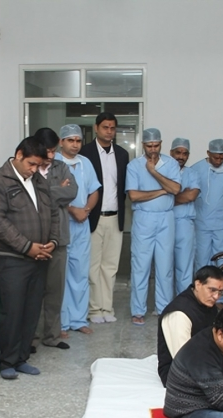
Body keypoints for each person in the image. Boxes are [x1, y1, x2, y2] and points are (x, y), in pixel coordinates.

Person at [0, 137, 60, 379]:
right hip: (11, 259)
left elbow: (54, 213)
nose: (34, 170)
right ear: (18, 155)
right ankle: (7, 361)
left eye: (39, 165)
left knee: (31, 310)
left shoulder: (38, 181)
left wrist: (53, 241)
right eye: (31, 164)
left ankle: (22, 357)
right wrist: (27, 247)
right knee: (13, 310)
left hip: (40, 256)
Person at [126, 128, 181, 324]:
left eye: (156, 145)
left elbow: (175, 189)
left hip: (166, 218)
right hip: (144, 219)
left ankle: (164, 308)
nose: (153, 149)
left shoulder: (171, 164)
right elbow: (134, 195)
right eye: (149, 146)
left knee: (165, 266)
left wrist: (153, 172)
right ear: (143, 145)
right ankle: (138, 310)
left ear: (161, 144)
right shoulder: (134, 166)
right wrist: (162, 191)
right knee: (140, 266)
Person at [80, 112, 129, 324]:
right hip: (93, 217)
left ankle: (107, 307)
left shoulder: (122, 154)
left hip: (115, 216)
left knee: (110, 267)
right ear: (96, 128)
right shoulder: (85, 153)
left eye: (112, 128)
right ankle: (94, 309)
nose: (109, 132)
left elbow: (122, 188)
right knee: (93, 267)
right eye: (105, 127)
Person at [34, 127, 78, 350]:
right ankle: (30, 337)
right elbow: (27, 196)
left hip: (58, 238)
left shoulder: (62, 167)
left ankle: (51, 336)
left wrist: (45, 193)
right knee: (32, 291)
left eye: (53, 151)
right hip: (32, 239)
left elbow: (72, 192)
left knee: (55, 290)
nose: (51, 156)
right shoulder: (29, 167)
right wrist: (55, 190)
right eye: (47, 151)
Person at [55, 124, 101, 335]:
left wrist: (86, 210)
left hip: (82, 223)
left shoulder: (86, 163)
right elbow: (50, 194)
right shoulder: (54, 163)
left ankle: (78, 319)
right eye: (70, 140)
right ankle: (61, 323)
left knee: (80, 273)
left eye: (78, 140)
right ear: (61, 142)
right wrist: (72, 210)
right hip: (61, 222)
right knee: (61, 275)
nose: (75, 145)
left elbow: (94, 191)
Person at [156, 265, 223, 386]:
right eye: (212, 290)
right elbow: (183, 359)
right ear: (198, 285)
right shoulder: (179, 314)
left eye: (220, 292)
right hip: (179, 374)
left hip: (206, 359)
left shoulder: (208, 304)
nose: (216, 297)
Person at [192, 139, 223, 269]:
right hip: (202, 222)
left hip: (222, 222)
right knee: (202, 257)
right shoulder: (196, 169)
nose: (219, 161)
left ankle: (220, 282)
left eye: (222, 158)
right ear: (208, 153)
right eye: (216, 158)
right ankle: (202, 282)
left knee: (222, 258)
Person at [170, 138, 201, 294]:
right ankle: (165, 303)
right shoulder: (163, 171)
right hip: (165, 222)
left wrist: (168, 197)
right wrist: (182, 195)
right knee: (165, 267)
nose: (181, 157)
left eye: (185, 153)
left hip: (184, 223)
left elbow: (191, 196)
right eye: (178, 152)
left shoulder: (192, 174)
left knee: (184, 266)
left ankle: (183, 302)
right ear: (171, 153)